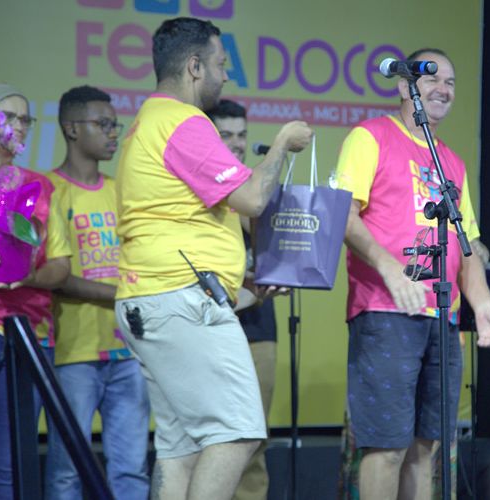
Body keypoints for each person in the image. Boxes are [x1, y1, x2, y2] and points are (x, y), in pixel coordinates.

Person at [113, 17, 312, 500]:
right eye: (221, 65)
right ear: (195, 66)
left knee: (181, 448)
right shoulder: (182, 122)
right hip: (181, 300)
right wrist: (282, 145)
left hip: (155, 298)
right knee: (239, 432)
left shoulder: (149, 122)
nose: (225, 76)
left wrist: (248, 284)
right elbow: (253, 199)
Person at [335, 48, 490, 500]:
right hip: (385, 311)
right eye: (431, 77)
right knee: (387, 448)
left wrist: (483, 305)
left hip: (442, 318)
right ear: (402, 85)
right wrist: (391, 269)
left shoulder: (452, 162)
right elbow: (342, 216)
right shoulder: (370, 136)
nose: (443, 89)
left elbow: (466, 245)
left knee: (426, 448)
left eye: (450, 82)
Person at [0, 82, 71, 498]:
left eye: (25, 118)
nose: (19, 125)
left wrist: (27, 276)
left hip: (30, 332)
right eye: (8, 116)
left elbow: (59, 267)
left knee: (12, 470)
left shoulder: (39, 185)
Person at [43, 85, 150, 500]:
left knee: (131, 471)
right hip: (73, 352)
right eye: (103, 124)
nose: (113, 134)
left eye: (115, 125)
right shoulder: (48, 189)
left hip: (128, 351)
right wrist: (119, 293)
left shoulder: (121, 191)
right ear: (72, 128)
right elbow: (56, 276)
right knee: (66, 471)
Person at [205, 98, 278, 500]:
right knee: (209, 439)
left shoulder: (258, 187)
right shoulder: (196, 188)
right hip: (207, 328)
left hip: (258, 330)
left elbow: (279, 254)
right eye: (225, 135)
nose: (236, 143)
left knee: (254, 438)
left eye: (241, 135)